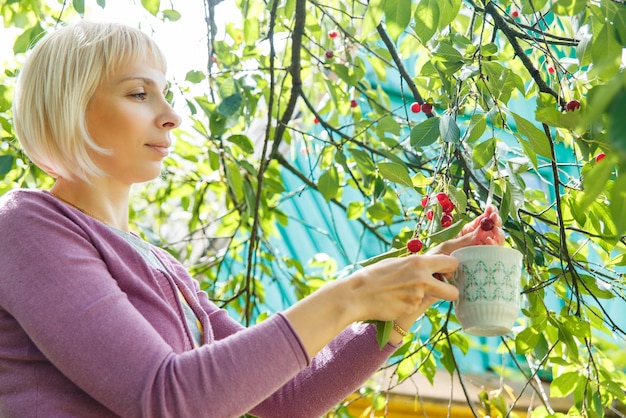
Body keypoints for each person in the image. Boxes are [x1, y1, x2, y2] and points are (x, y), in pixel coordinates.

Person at [0, 21, 505, 418]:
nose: (172, 113)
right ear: (70, 107)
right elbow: (166, 398)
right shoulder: (27, 228)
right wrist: (351, 295)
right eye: (138, 94)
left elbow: (289, 398)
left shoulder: (161, 264)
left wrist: (404, 299)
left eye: (166, 92)